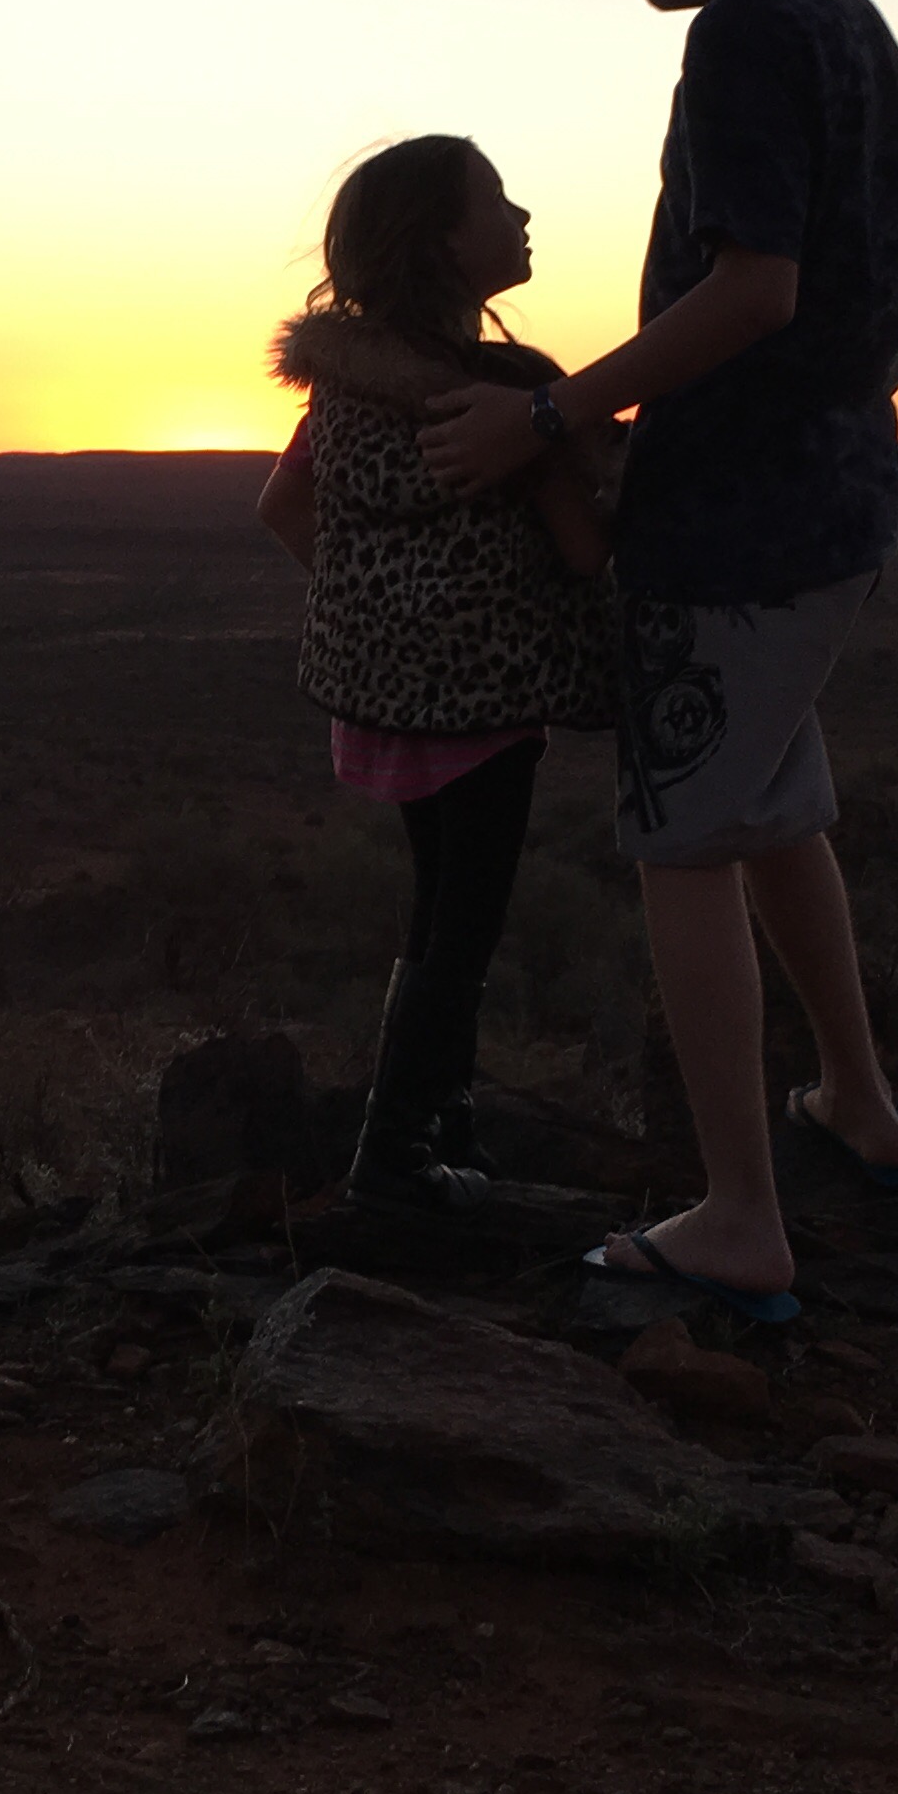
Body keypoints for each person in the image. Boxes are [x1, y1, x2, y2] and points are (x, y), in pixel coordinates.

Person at [421, 0, 898, 1321]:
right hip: (837, 505)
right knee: (774, 806)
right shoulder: (857, 24)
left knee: (679, 842)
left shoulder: (739, 39)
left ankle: (740, 1220)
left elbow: (752, 289)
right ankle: (858, 1105)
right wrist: (838, 410)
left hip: (730, 526)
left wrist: (552, 418)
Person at [259, 134, 615, 1210]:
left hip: (389, 700)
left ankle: (441, 1129)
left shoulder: (349, 387)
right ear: (443, 242)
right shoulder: (507, 396)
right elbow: (585, 552)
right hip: (485, 701)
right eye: (497, 200)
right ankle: (399, 1158)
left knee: (436, 910)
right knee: (468, 922)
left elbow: (281, 506)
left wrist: (382, 618)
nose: (523, 216)